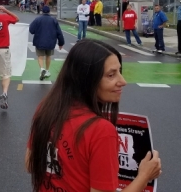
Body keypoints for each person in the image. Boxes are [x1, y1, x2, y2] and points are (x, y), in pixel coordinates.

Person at [26, 40, 161, 192]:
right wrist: (144, 176)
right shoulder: (101, 131)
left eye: (119, 71)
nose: (123, 81)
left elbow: (30, 164)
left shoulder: (46, 107)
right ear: (86, 80)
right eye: (111, 75)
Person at [29, 6, 64, 80]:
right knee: (48, 56)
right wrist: (61, 43)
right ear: (49, 12)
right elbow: (59, 33)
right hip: (50, 41)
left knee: (40, 56)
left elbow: (31, 30)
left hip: (39, 41)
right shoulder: (54, 20)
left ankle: (42, 69)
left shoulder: (37, 19)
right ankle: (47, 70)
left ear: (42, 11)